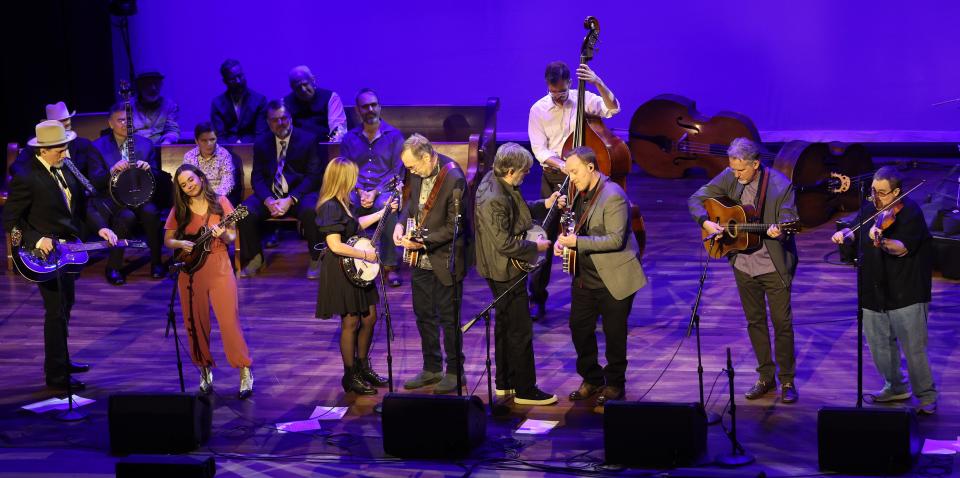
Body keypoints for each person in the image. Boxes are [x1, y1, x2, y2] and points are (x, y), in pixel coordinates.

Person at [3, 120, 117, 391]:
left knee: (65, 307)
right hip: (42, 255)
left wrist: (100, 226)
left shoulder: (65, 169)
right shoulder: (27, 177)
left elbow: (79, 209)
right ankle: (56, 376)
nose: (66, 154)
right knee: (55, 311)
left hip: (68, 252)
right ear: (43, 151)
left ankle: (62, 360)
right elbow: (10, 219)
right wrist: (36, 239)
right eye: (60, 150)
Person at [688, 137, 800, 404]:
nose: (735, 175)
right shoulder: (730, 175)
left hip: (773, 265)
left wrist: (779, 230)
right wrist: (706, 222)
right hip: (742, 264)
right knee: (755, 321)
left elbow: (788, 218)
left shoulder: (780, 186)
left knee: (782, 324)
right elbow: (696, 199)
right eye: (733, 169)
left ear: (756, 164)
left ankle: (787, 380)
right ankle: (765, 376)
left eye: (741, 170)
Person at [831, 166, 937, 414]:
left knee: (914, 349)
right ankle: (896, 387)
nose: (876, 198)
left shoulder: (910, 213)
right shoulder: (869, 211)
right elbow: (853, 235)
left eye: (882, 193)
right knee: (879, 346)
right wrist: (845, 236)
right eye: (873, 191)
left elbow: (902, 248)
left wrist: (881, 240)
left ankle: (926, 395)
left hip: (906, 292)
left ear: (896, 192)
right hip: (873, 291)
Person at [526, 60, 621, 320]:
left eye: (563, 92)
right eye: (554, 92)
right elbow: (540, 149)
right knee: (544, 234)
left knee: (587, 234)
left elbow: (613, 109)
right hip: (555, 178)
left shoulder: (583, 99)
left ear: (569, 83)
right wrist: (564, 164)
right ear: (548, 85)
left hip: (584, 182)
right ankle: (537, 297)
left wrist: (598, 82)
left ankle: (595, 295)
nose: (558, 97)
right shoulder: (538, 109)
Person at [555, 146, 646, 408]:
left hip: (613, 277)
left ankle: (615, 383)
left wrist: (578, 242)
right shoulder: (579, 193)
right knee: (579, 328)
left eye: (574, 171)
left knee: (614, 334)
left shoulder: (613, 195)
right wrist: (565, 242)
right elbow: (576, 228)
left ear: (591, 167)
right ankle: (592, 377)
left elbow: (616, 240)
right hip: (586, 277)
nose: (571, 177)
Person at [474, 142, 563, 406]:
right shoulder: (493, 198)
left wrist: (544, 204)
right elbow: (504, 243)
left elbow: (517, 211)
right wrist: (536, 247)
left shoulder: (499, 179)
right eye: (523, 173)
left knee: (505, 326)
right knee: (520, 328)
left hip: (502, 266)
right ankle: (525, 389)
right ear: (511, 170)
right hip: (503, 269)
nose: (525, 177)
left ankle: (506, 382)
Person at [164, 164, 253, 399]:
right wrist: (181, 244)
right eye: (183, 185)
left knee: (228, 321)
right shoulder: (180, 210)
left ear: (201, 178)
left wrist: (222, 233)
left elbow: (232, 235)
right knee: (196, 323)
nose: (189, 186)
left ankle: (244, 371)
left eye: (191, 180)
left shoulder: (221, 202)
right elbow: (168, 240)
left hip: (219, 263)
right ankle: (204, 370)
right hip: (190, 271)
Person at [315, 157, 397, 395]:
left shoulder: (344, 201)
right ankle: (350, 375)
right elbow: (335, 245)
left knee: (369, 317)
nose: (356, 181)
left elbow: (354, 225)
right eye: (353, 176)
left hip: (356, 265)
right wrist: (365, 253)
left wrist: (383, 212)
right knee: (350, 321)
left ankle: (363, 367)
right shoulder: (329, 205)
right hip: (342, 268)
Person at [392, 134, 467, 394]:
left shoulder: (454, 178)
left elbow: (454, 228)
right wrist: (401, 222)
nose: (410, 171)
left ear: (426, 157)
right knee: (424, 315)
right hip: (419, 260)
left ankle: (456, 372)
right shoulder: (416, 171)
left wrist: (423, 242)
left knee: (449, 319)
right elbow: (412, 204)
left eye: (412, 166)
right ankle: (432, 367)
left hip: (445, 258)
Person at [237, 100, 324, 279]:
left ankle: (317, 258)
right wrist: (268, 200)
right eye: (275, 120)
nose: (280, 123)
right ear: (269, 122)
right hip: (271, 195)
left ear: (290, 118)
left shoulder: (308, 139)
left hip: (300, 193)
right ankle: (255, 258)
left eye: (284, 118)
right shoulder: (261, 143)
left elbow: (314, 176)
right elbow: (257, 177)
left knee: (311, 211)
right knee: (243, 212)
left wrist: (291, 199)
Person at [90, 102, 165, 284]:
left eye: (129, 120)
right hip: (114, 200)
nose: (126, 124)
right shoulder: (98, 146)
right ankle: (114, 266)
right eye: (121, 120)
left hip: (141, 195)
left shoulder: (146, 145)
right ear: (110, 123)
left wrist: (149, 170)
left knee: (150, 212)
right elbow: (94, 181)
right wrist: (111, 170)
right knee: (126, 216)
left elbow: (159, 177)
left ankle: (156, 262)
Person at [341, 88, 405, 286]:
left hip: (384, 187)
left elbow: (397, 170)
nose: (370, 109)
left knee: (387, 205)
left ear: (379, 107)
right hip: (356, 188)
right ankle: (351, 259)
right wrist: (360, 191)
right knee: (344, 205)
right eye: (365, 106)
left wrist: (375, 191)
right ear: (358, 111)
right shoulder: (349, 138)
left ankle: (389, 266)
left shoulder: (394, 136)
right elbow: (346, 168)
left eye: (373, 105)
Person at [15, 102, 103, 182]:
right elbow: (16, 167)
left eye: (67, 123)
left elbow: (96, 173)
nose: (65, 128)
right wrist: (38, 181)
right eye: (60, 125)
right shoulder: (37, 145)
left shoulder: (84, 145)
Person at [210, 59, 268, 144]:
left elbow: (260, 134)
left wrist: (243, 148)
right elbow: (220, 136)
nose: (238, 81)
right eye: (233, 79)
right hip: (227, 152)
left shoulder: (259, 101)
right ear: (225, 81)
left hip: (254, 150)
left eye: (240, 76)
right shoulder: (217, 104)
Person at [283, 65, 347, 142]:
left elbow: (339, 129)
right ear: (292, 88)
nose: (303, 89)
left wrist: (331, 145)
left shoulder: (331, 97)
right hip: (298, 149)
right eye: (298, 87)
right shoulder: (285, 103)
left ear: (313, 80)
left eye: (305, 84)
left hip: (325, 145)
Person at [183, 122, 240, 205]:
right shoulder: (189, 157)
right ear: (196, 141)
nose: (209, 144)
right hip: (196, 197)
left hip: (219, 198)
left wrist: (213, 199)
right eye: (204, 140)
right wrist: (200, 198)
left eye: (212, 139)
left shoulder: (224, 155)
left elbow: (228, 182)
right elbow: (187, 181)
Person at [131, 70, 180, 145]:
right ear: (139, 87)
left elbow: (172, 129)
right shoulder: (127, 106)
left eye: (156, 84)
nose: (153, 88)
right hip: (135, 150)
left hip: (158, 149)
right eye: (148, 84)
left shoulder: (169, 106)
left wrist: (167, 142)